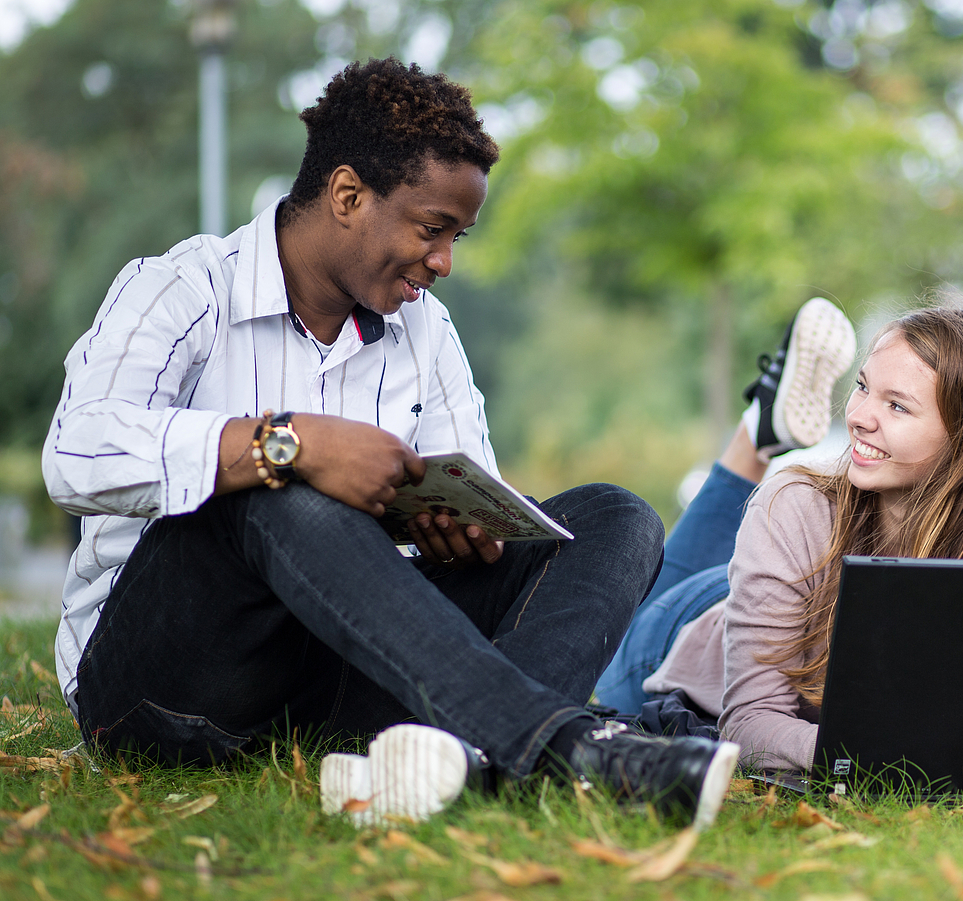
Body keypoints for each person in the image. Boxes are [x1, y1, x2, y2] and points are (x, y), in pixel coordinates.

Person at [41, 57, 739, 829]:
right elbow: (77, 453)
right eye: (432, 229)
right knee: (279, 490)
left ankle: (464, 758)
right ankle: (558, 745)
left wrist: (460, 533)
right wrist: (288, 443)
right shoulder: (182, 287)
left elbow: (472, 488)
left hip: (340, 680)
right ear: (347, 196)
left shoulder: (425, 330)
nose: (443, 261)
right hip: (165, 683)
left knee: (617, 515)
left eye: (457, 236)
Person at [594, 301, 963, 773]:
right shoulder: (794, 504)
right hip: (682, 644)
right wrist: (892, 755)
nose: (859, 416)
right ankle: (759, 430)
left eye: (897, 405)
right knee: (618, 634)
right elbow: (752, 720)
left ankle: (764, 428)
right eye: (862, 386)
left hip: (787, 577)